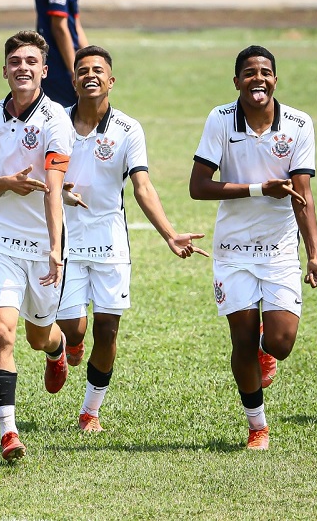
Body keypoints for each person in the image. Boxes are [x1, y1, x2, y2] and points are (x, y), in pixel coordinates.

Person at [56, 45, 208, 433]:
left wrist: (170, 233)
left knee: (107, 331)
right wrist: (57, 193)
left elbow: (141, 186)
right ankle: (65, 346)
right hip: (63, 241)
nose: (91, 75)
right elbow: (37, 177)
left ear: (111, 80)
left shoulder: (128, 129)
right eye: (83, 70)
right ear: (73, 80)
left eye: (98, 70)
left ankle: (90, 411)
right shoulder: (55, 123)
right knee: (74, 329)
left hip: (110, 243)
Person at [189, 45, 317, 450]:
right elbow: (198, 187)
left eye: (265, 72)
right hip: (233, 250)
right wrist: (258, 189)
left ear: (275, 79)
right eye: (249, 73)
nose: (258, 79)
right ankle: (258, 427)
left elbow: (302, 194)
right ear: (236, 81)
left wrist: (314, 255)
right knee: (242, 340)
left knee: (280, 343)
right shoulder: (220, 120)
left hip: (279, 249)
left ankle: (267, 350)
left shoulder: (299, 124)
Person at [0, 30, 73, 461]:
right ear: (5, 70)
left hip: (43, 246)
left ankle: (58, 349)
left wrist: (55, 245)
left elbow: (54, 186)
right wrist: (6, 184)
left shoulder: (56, 120)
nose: (23, 68)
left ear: (44, 71)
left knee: (37, 337)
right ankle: (9, 432)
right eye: (15, 61)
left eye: (31, 61)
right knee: (1, 333)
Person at [34, 0, 88, 108]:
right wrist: (75, 72)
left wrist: (90, 61)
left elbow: (75, 24)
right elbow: (59, 27)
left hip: (69, 62)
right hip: (58, 65)